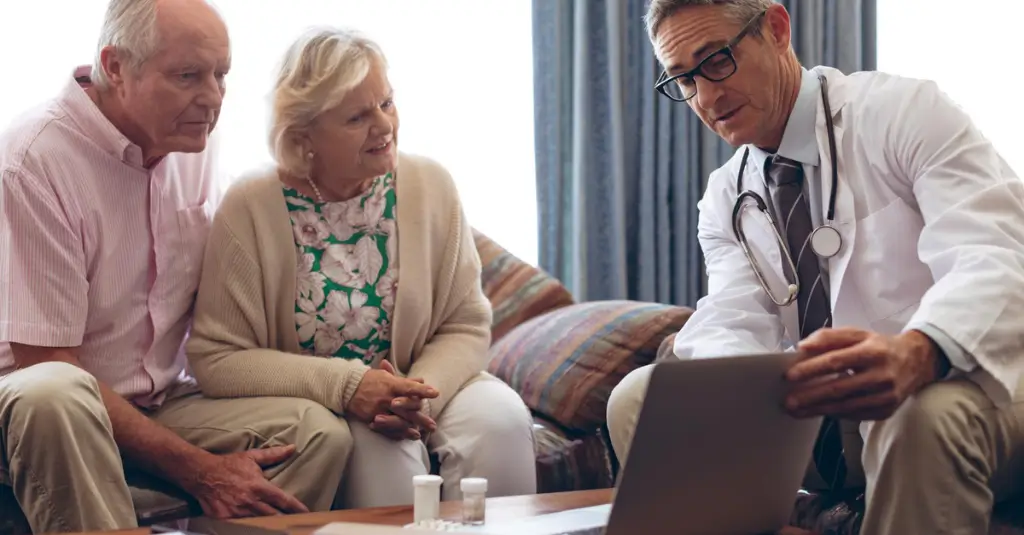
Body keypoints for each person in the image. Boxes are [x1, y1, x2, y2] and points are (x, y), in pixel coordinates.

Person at [605, 1, 1024, 534]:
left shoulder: (904, 111)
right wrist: (724, 405)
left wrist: (919, 351)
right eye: (683, 79)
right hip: (835, 411)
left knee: (921, 416)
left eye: (716, 61)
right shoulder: (724, 196)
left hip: (974, 377)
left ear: (776, 29)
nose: (707, 97)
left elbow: (995, 254)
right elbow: (733, 321)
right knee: (639, 401)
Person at [0, 1, 353, 532]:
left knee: (317, 433)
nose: (211, 98)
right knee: (54, 393)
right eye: (188, 75)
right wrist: (199, 470)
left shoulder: (194, 142)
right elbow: (45, 360)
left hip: (164, 399)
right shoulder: (32, 161)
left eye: (221, 75)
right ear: (116, 67)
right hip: (49, 413)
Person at [184, 25, 537, 509]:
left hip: (425, 385)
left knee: (503, 423)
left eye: (387, 103)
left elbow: (466, 322)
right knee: (381, 452)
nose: (384, 125)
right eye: (357, 117)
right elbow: (218, 359)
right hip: (329, 403)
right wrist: (349, 387)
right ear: (304, 133)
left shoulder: (431, 184)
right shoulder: (251, 205)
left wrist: (418, 398)